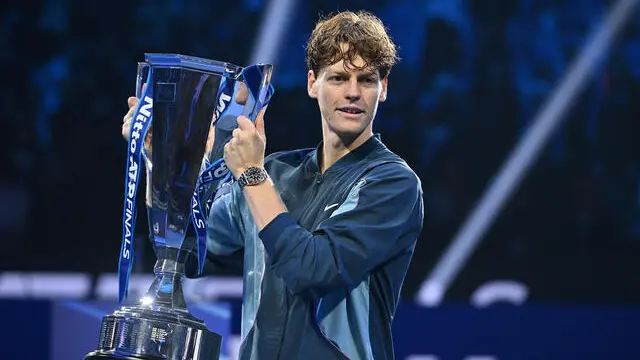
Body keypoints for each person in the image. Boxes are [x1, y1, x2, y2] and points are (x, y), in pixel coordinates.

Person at [123, 10, 423, 360]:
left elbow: (313, 270)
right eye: (339, 78)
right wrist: (163, 162)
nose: (353, 92)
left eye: (367, 80)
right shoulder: (277, 171)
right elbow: (190, 251)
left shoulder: (392, 183)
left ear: (383, 88)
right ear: (313, 83)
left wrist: (251, 175)